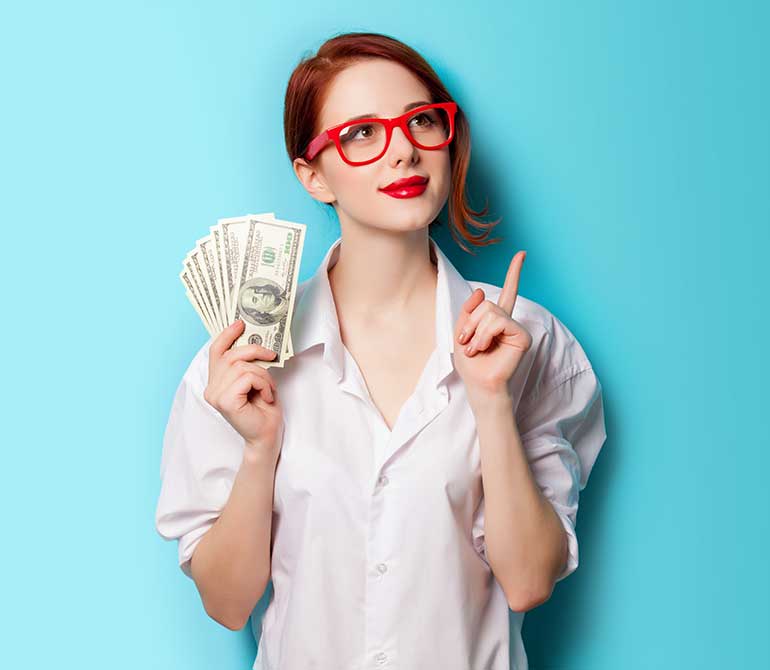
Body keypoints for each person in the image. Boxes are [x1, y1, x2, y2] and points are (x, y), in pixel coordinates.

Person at [154, 32, 606, 670]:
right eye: (361, 133)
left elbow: (530, 582)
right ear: (312, 175)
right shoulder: (239, 361)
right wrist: (259, 450)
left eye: (421, 122)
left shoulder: (527, 339)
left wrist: (491, 401)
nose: (404, 152)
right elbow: (227, 604)